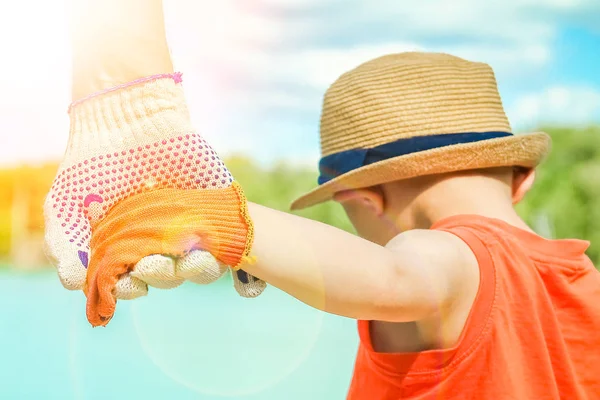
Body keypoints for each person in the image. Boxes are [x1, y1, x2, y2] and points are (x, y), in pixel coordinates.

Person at [44, 0, 600, 398]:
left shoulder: (458, 261)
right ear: (521, 178)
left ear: (365, 200)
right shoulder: (583, 279)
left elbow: (397, 278)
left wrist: (217, 219)